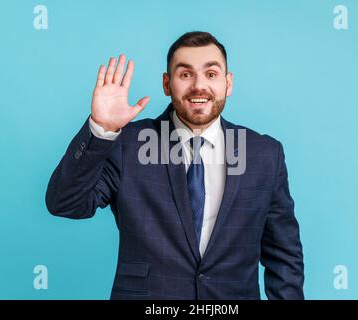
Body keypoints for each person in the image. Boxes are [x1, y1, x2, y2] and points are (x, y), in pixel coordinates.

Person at [46, 31, 304, 300]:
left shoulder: (265, 154)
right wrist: (101, 129)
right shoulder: (128, 145)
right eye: (185, 74)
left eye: (211, 74)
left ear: (229, 84)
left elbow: (284, 256)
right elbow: (64, 203)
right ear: (167, 84)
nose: (198, 86)